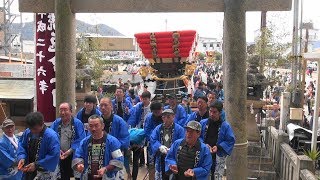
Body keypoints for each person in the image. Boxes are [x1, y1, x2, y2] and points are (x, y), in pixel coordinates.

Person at [72, 115, 124, 179]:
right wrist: (79, 164)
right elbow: (78, 155)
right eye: (91, 126)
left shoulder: (113, 142)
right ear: (88, 127)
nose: (93, 129)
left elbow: (118, 159)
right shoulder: (84, 142)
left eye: (96, 125)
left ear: (102, 126)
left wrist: (105, 168)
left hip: (107, 177)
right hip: (88, 177)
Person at [17, 112, 60, 180]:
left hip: (46, 171)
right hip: (29, 168)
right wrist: (22, 157)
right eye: (30, 128)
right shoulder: (27, 132)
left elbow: (54, 155)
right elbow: (22, 145)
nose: (33, 131)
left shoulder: (51, 136)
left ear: (42, 123)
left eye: (35, 129)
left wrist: (37, 165)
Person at [200, 101, 235, 180]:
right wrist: (204, 145)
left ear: (220, 112)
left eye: (214, 112)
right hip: (204, 153)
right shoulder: (203, 123)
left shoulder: (225, 126)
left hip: (218, 155)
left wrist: (218, 147)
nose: (212, 114)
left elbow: (230, 140)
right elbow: (197, 137)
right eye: (210, 111)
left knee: (216, 177)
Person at [51, 102, 86, 180]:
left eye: (65, 110)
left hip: (74, 153)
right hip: (60, 154)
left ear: (71, 111)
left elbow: (81, 139)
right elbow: (51, 138)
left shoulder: (77, 123)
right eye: (61, 110)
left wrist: (70, 150)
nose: (63, 113)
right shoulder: (56, 123)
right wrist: (57, 149)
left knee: (77, 175)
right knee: (62, 175)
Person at [99, 97, 130, 179]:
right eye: (101, 105)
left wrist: (111, 146)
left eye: (105, 105)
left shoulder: (119, 121)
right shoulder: (97, 120)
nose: (103, 108)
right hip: (99, 153)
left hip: (115, 153)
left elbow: (125, 139)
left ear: (111, 106)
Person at [150, 109, 185, 180]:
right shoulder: (158, 128)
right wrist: (159, 146)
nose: (166, 119)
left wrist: (173, 149)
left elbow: (182, 141)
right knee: (162, 175)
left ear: (173, 117)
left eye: (168, 117)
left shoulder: (179, 129)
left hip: (174, 157)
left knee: (173, 175)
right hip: (161, 156)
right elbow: (153, 139)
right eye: (163, 117)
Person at [127, 91, 152, 172]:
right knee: (139, 144)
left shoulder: (152, 107)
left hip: (149, 127)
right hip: (140, 126)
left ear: (149, 99)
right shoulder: (139, 106)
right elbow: (133, 116)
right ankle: (141, 161)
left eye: (146, 99)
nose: (144, 101)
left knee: (148, 144)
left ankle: (149, 162)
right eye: (143, 99)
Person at [143, 102, 163, 180]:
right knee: (151, 165)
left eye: (158, 112)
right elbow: (147, 131)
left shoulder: (165, 116)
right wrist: (154, 140)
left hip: (164, 143)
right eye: (155, 112)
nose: (157, 114)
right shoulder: (149, 117)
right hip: (152, 144)